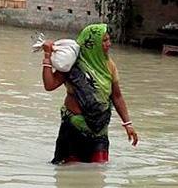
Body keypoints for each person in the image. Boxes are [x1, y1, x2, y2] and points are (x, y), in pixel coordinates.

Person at [41, 23, 138, 164]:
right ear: (91, 43)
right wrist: (47, 56)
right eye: (104, 41)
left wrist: (128, 124)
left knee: (98, 172)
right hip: (74, 128)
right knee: (70, 175)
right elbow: (49, 85)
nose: (109, 44)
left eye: (109, 40)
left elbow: (116, 96)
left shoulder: (109, 66)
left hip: (99, 130)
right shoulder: (72, 64)